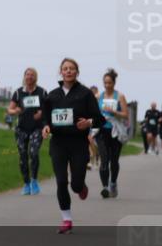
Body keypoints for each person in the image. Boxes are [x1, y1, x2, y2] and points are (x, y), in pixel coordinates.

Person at [42, 58, 106, 234]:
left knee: (75, 185)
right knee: (61, 181)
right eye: (65, 68)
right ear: (60, 72)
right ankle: (67, 219)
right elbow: (45, 118)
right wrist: (46, 127)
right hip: (58, 143)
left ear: (77, 72)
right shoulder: (52, 95)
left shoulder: (85, 94)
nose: (68, 71)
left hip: (78, 143)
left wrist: (89, 122)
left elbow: (101, 119)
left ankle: (81, 187)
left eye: (72, 69)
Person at [6, 68, 47, 195]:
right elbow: (10, 110)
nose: (29, 77)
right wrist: (15, 111)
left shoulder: (42, 92)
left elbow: (48, 108)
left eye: (32, 75)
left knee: (33, 153)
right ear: (24, 77)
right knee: (23, 155)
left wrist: (42, 113)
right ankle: (26, 183)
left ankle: (34, 180)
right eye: (27, 75)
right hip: (21, 129)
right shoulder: (18, 93)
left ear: (36, 77)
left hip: (36, 128)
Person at [96, 69, 130, 199]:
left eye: (109, 83)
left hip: (115, 131)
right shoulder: (99, 96)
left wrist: (114, 111)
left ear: (114, 83)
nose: (107, 85)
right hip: (102, 131)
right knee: (104, 159)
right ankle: (105, 187)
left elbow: (126, 115)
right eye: (105, 83)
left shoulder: (120, 96)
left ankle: (113, 183)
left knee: (114, 160)